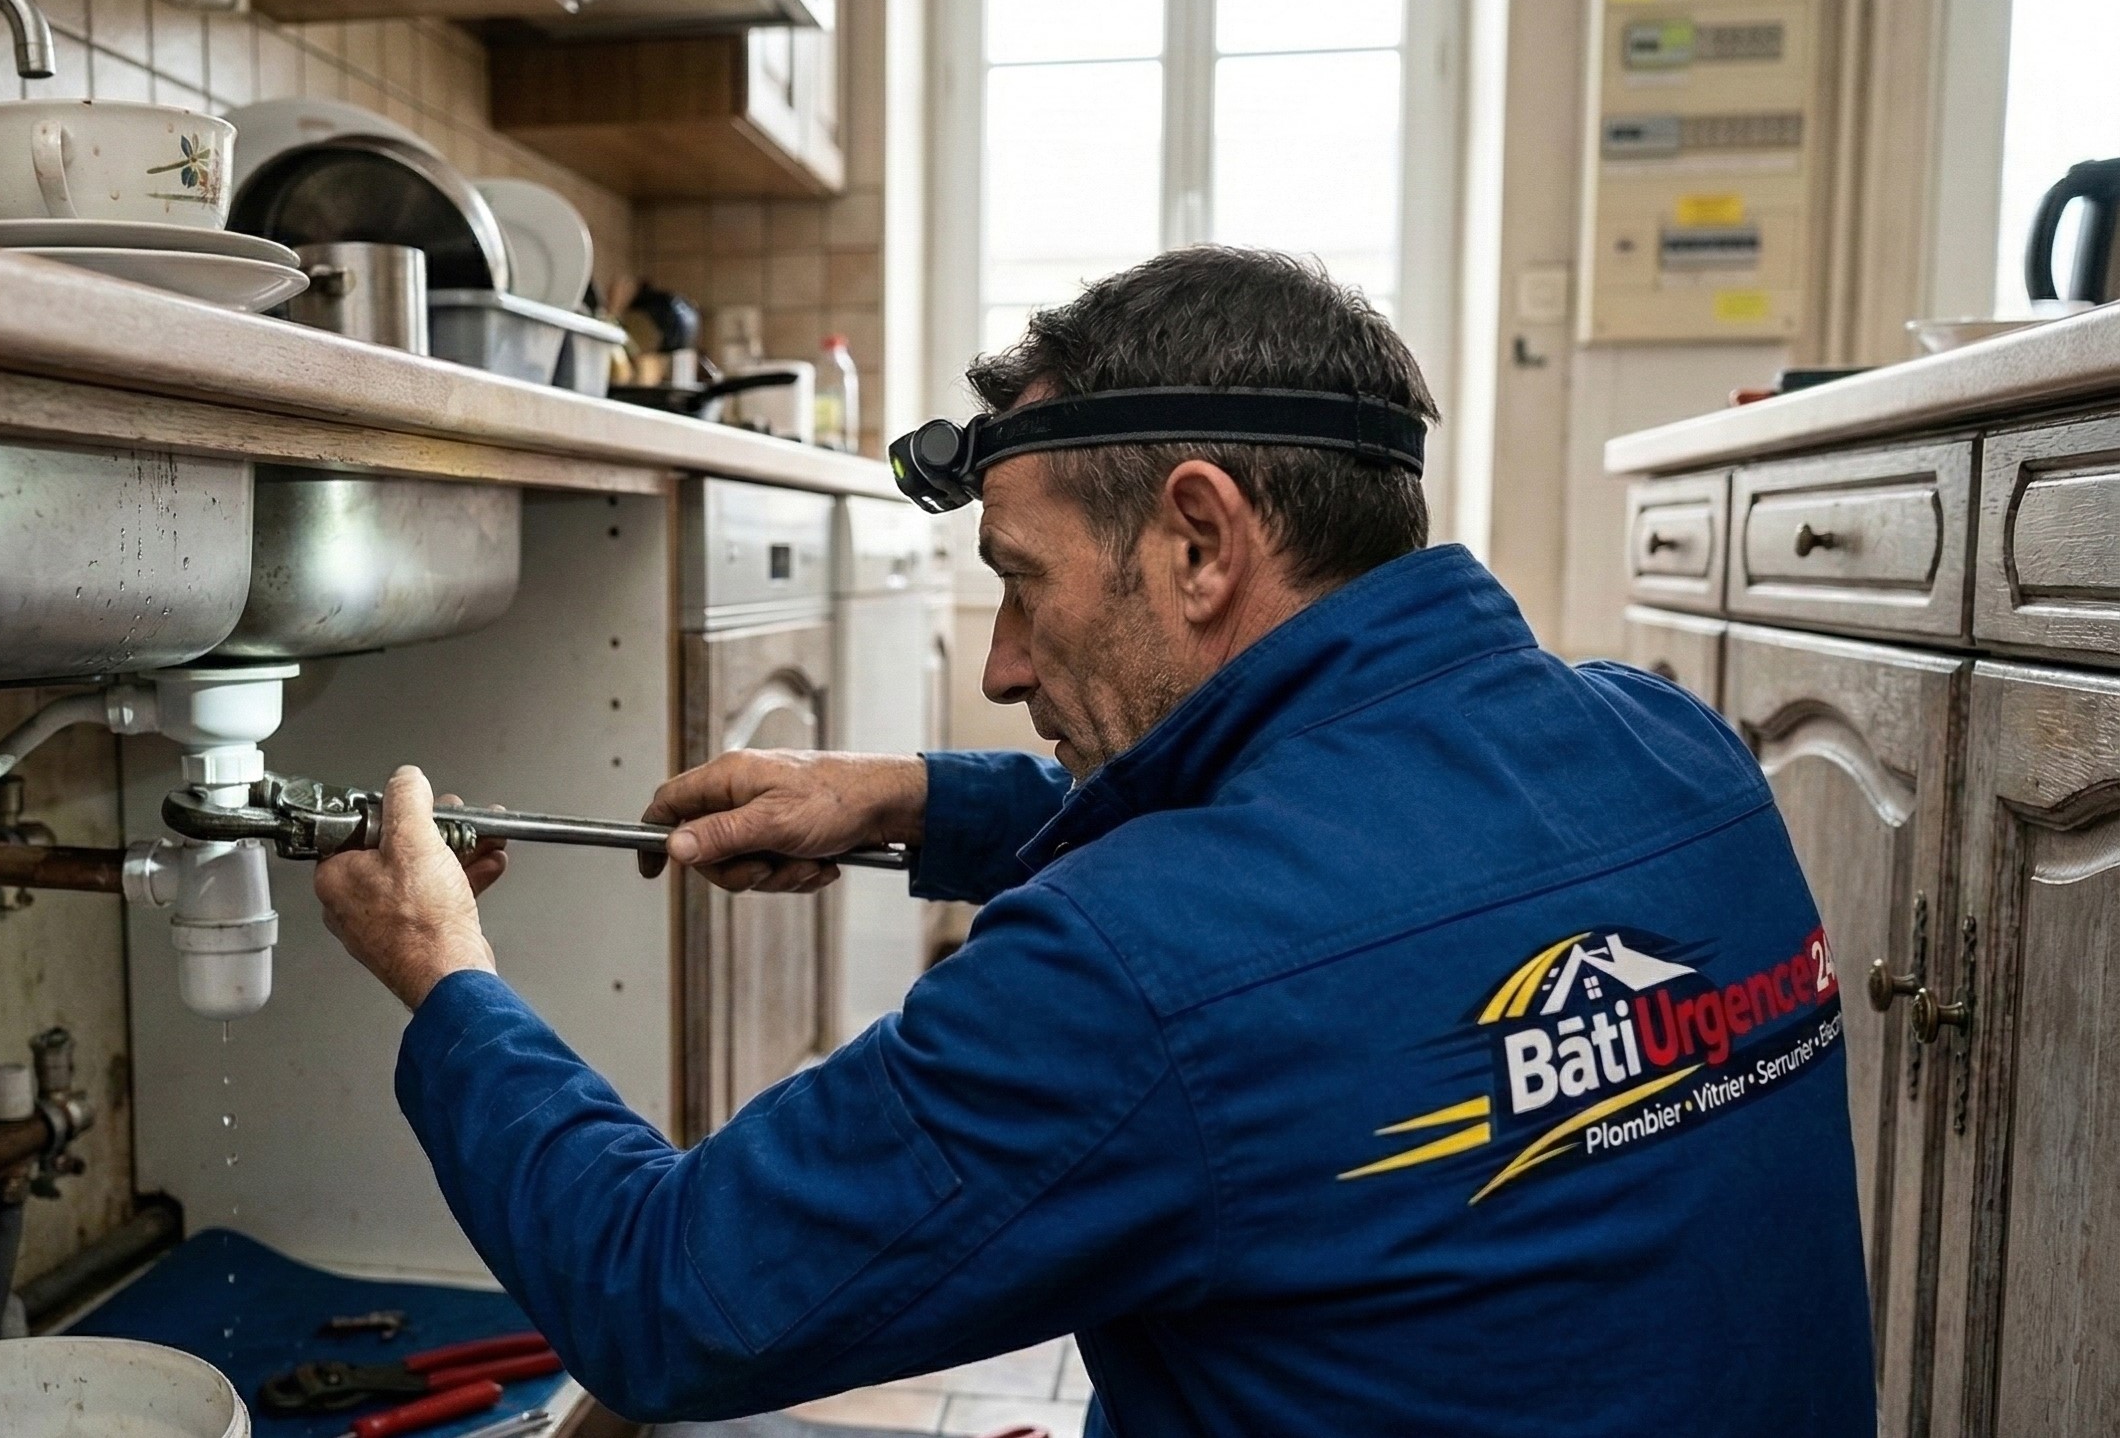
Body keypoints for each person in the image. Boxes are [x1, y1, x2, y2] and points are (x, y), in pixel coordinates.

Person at [313, 246, 1877, 1437]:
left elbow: (660, 1293)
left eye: (1020, 578)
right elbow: (1339, 899)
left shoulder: (1144, 969)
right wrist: (916, 799)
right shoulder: (1677, 750)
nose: (1001, 663)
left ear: (1201, 541)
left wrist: (446, 973)